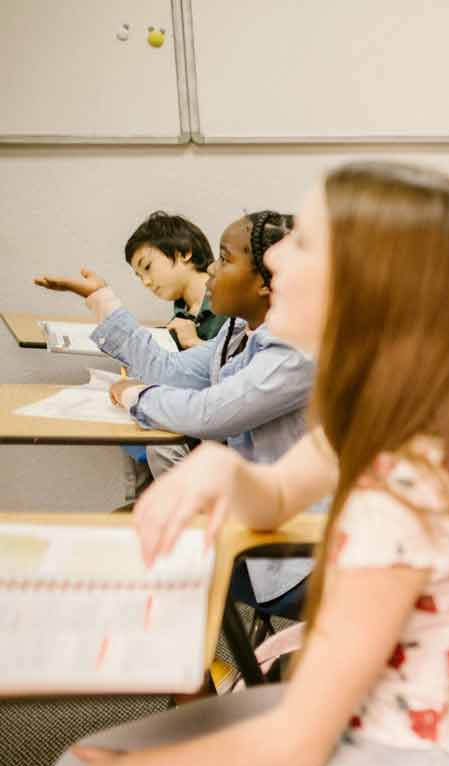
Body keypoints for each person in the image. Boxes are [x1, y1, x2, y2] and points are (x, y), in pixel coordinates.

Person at [28, 162, 449, 766]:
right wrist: (226, 469)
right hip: (373, 719)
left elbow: (297, 741)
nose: (274, 256)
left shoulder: (403, 480)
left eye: (302, 243)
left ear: (366, 284)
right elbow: (277, 493)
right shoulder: (376, 411)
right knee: (77, 764)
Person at [33, 211, 313, 604]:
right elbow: (171, 371)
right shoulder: (241, 332)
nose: (212, 267)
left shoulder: (296, 349)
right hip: (253, 522)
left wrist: (134, 395)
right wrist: (101, 299)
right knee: (122, 531)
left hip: (295, 551)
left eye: (226, 258)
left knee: (130, 545)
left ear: (267, 281)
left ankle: (190, 660)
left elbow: (209, 414)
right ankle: (189, 659)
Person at [123, 210, 225, 349]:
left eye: (147, 267)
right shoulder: (176, 324)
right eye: (140, 277)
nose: (146, 282)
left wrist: (196, 344)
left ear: (184, 252)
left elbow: (250, 363)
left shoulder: (234, 302)